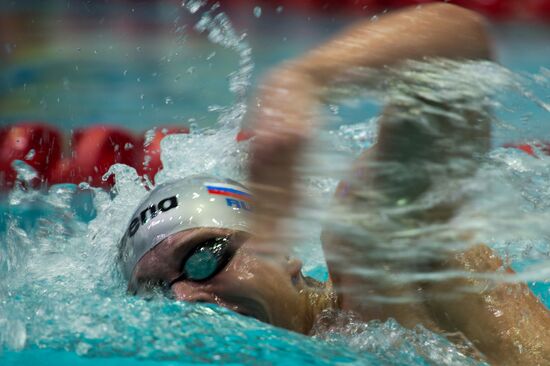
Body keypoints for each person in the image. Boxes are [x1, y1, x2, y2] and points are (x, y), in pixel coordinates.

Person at [118, 3, 550, 365]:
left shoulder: (374, 261)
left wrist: (302, 82)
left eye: (201, 258)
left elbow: (459, 46)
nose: (183, 299)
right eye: (155, 292)